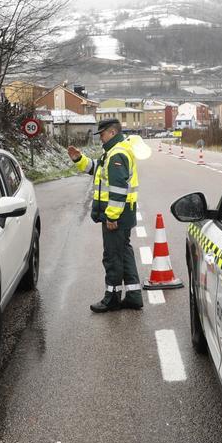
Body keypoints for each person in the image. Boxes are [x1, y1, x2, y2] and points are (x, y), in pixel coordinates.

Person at [67, 118, 142, 313]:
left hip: (116, 215)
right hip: (123, 213)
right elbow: (98, 169)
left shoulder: (116, 154)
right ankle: (133, 296)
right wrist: (79, 159)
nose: (100, 137)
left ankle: (112, 299)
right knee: (123, 253)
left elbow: (118, 189)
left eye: (102, 134)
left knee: (112, 257)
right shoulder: (114, 151)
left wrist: (112, 216)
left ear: (112, 132)